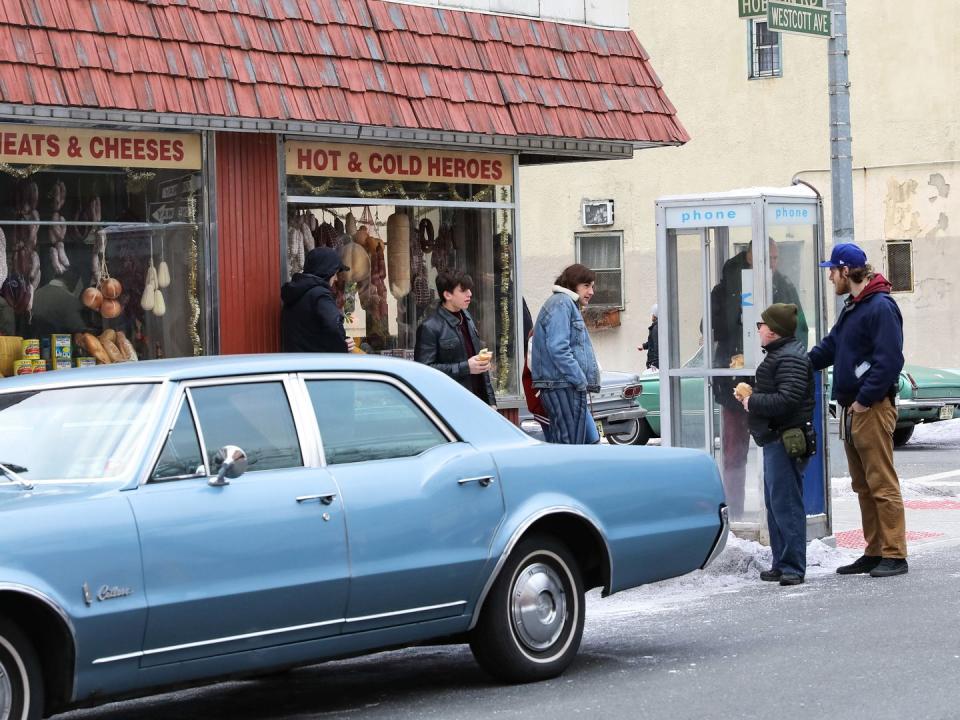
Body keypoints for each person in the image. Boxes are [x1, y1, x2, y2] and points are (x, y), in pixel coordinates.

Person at [809, 243, 908, 578]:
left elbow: (890, 361)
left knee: (881, 483)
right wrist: (799, 363)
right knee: (863, 485)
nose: (829, 278)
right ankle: (874, 550)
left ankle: (895, 554)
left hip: (872, 407)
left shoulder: (880, 307)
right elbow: (832, 346)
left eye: (831, 272)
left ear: (845, 271)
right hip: (854, 408)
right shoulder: (854, 306)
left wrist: (865, 400)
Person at [711, 238, 807, 517]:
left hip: (774, 384)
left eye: (776, 258)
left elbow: (800, 327)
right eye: (768, 258)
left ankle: (774, 513)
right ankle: (735, 512)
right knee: (734, 451)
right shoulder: (727, 286)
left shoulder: (784, 286)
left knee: (778, 450)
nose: (773, 264)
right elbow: (711, 326)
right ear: (751, 257)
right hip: (735, 381)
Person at [739, 303, 814, 586]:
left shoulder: (790, 358)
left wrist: (752, 400)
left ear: (773, 330)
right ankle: (782, 563)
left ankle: (793, 566)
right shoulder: (781, 355)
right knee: (776, 502)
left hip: (786, 438)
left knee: (786, 503)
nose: (758, 328)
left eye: (762, 324)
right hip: (777, 437)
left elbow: (788, 399)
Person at [531, 264, 601, 444]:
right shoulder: (562, 302)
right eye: (586, 285)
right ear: (572, 285)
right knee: (569, 444)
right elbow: (558, 348)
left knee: (579, 442)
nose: (591, 291)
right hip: (562, 385)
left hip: (563, 384)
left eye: (592, 286)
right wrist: (579, 379)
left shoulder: (565, 303)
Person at [414, 269, 496, 406]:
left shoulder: (467, 317)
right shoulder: (430, 327)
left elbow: (481, 368)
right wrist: (466, 367)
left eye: (469, 289)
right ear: (447, 295)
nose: (469, 294)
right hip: (451, 404)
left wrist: (491, 402)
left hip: (479, 402)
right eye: (463, 290)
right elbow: (424, 371)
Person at [280, 247, 355, 353]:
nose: (336, 279)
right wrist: (343, 345)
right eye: (335, 274)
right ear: (328, 272)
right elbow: (334, 327)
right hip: (318, 365)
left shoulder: (296, 294)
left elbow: (310, 336)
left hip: (296, 363)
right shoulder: (320, 295)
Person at [640, 303, 659, 370]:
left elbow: (657, 346)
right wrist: (644, 346)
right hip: (655, 363)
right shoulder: (658, 326)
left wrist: (655, 364)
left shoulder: (656, 328)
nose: (652, 316)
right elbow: (652, 342)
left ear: (655, 315)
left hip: (654, 365)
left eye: (653, 314)